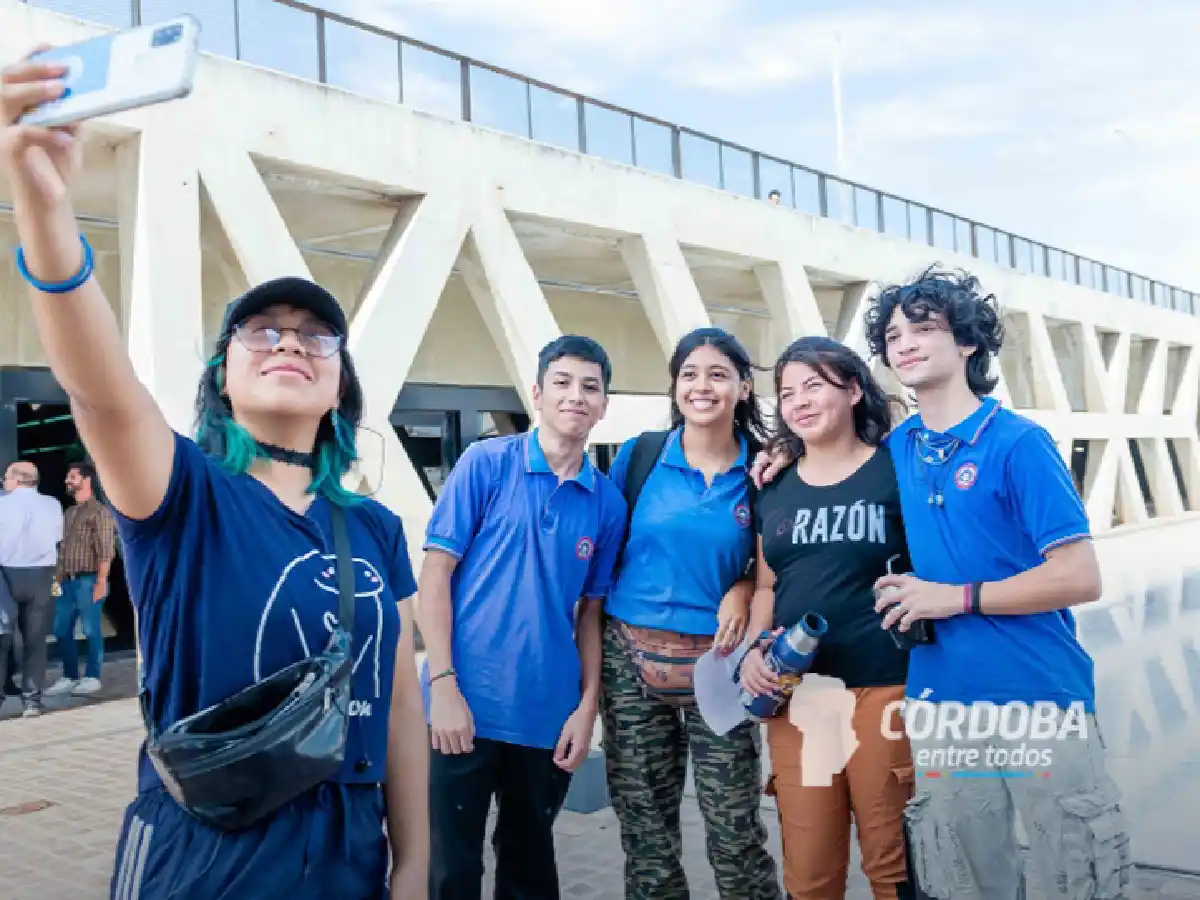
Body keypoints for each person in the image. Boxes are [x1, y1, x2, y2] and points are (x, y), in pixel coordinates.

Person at [2, 51, 429, 899]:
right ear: (222, 380)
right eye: (261, 331)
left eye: (315, 336)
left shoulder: (373, 527)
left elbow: (399, 704)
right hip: (209, 859)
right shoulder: (183, 493)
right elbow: (99, 392)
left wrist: (416, 864)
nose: (289, 342)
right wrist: (45, 208)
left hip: (350, 858)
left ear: (339, 387)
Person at [862, 267, 1133, 899]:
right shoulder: (898, 448)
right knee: (964, 883)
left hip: (1038, 696)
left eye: (923, 328)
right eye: (893, 335)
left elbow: (1080, 575)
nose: (904, 343)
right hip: (941, 702)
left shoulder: (1018, 444)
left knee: (1076, 877)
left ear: (967, 342)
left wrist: (955, 598)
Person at [417, 335, 627, 900]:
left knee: (529, 868)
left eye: (590, 387)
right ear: (537, 393)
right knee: (451, 868)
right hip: (463, 705)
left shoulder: (607, 503)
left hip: (546, 713)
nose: (575, 396)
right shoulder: (486, 464)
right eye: (562, 382)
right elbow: (435, 574)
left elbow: (590, 613)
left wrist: (586, 710)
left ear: (603, 405)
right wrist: (443, 686)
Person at [601, 326, 781, 900]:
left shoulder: (763, 473)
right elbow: (602, 555)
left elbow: (777, 566)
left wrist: (743, 586)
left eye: (718, 374)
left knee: (735, 833)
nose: (702, 386)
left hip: (721, 665)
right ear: (675, 386)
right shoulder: (640, 457)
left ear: (744, 388)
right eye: (689, 374)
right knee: (646, 834)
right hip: (630, 659)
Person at [738, 336, 918, 900]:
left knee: (893, 864)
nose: (799, 401)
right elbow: (767, 585)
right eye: (788, 393)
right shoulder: (772, 485)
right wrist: (753, 650)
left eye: (814, 386)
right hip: (800, 696)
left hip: (884, 687)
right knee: (809, 870)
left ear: (854, 390)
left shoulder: (898, 470)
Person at [46, 460, 117, 696]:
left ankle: (92, 676)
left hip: (89, 580)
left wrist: (101, 581)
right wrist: (56, 580)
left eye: (72, 476)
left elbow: (106, 550)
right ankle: (69, 676)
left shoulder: (100, 512)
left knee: (91, 630)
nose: (67, 480)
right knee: (60, 630)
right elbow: (62, 550)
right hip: (65, 581)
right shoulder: (69, 513)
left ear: (87, 480)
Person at [0, 460, 63, 716]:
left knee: (1, 639)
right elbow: (57, 538)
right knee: (36, 641)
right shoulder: (53, 504)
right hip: (41, 574)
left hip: (5, 573)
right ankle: (32, 701)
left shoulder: (2, 504)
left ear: (15, 480)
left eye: (5, 478)